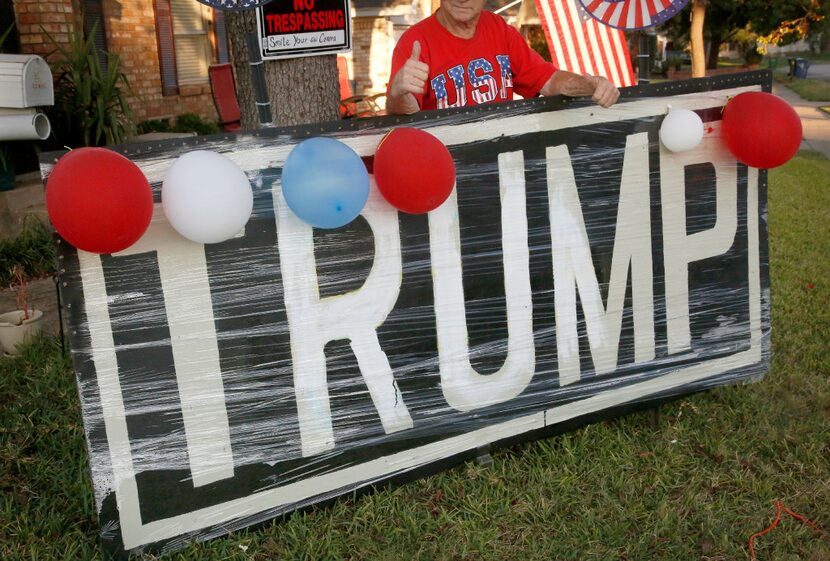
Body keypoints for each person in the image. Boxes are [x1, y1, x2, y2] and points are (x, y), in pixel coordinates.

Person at [386, 0, 620, 115]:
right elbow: (405, 116)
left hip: (499, 166)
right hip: (445, 171)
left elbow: (548, 80)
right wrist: (398, 93)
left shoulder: (499, 29)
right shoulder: (414, 40)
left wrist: (590, 85)